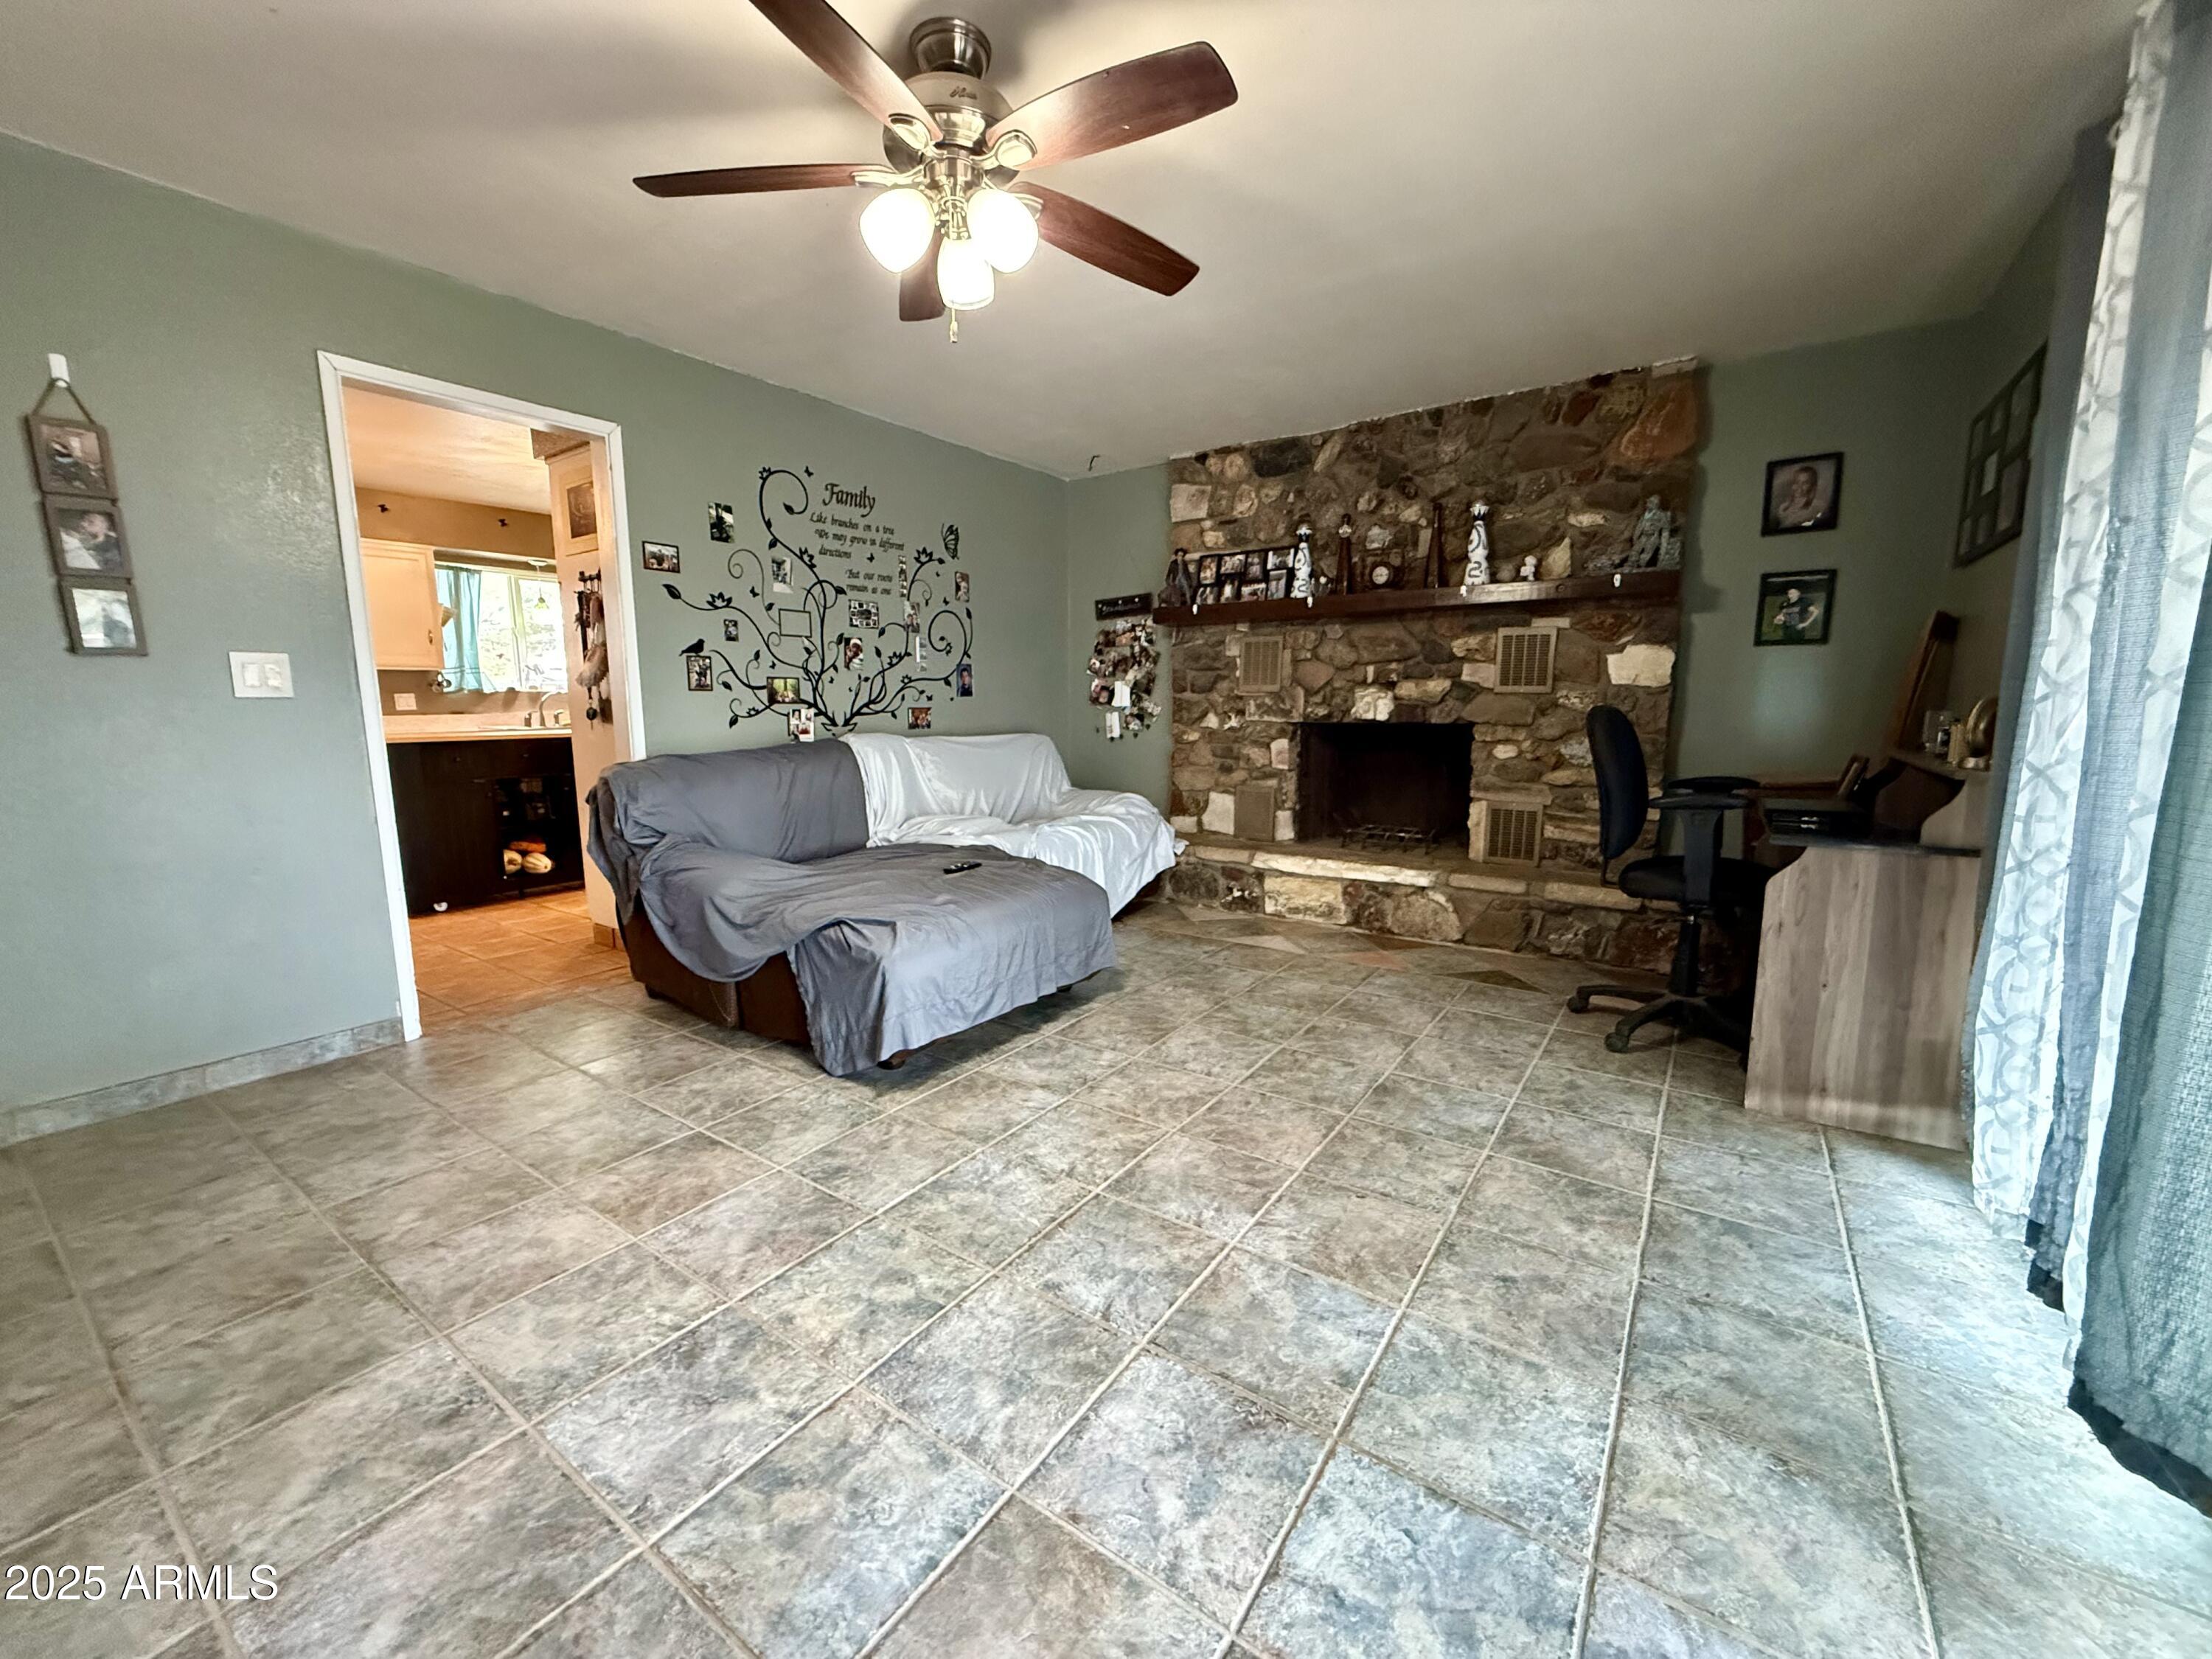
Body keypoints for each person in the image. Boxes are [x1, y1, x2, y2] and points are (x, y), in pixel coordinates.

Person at [1773, 464, 1826, 529]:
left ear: (1812, 485)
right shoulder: (1784, 506)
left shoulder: (1817, 506)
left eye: (1805, 483)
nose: (1799, 487)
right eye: (1797, 482)